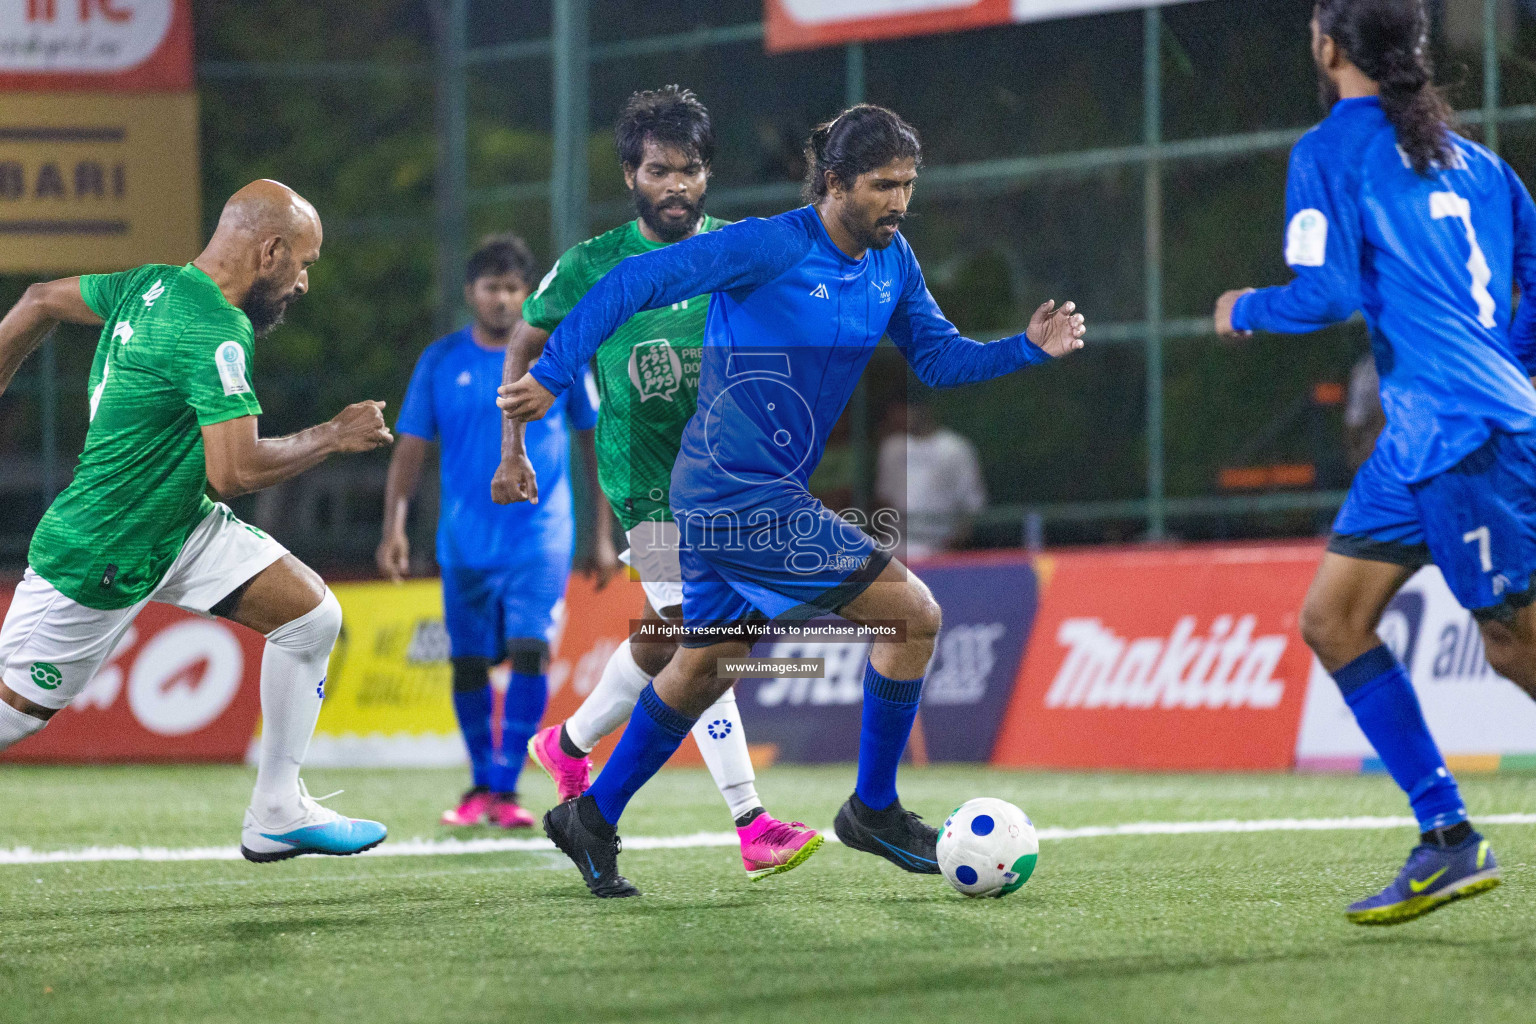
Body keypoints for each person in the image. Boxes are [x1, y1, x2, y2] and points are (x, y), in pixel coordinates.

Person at [501, 104, 1086, 897]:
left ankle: (590, 818)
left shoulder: (893, 259)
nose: (899, 202)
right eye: (883, 185)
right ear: (836, 182)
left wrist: (1024, 348)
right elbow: (636, 279)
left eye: (909, 185)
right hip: (735, 498)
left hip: (737, 494)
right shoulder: (772, 245)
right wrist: (556, 370)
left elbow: (939, 361)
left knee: (705, 661)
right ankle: (873, 809)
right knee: (913, 616)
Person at [1214, 0, 1536, 925]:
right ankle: (1447, 837)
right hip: (1423, 440)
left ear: (1327, 48)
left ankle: (1448, 838)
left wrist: (1243, 309)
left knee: (1512, 644)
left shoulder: (1327, 151)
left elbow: (1325, 296)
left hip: (1468, 437)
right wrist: (1507, 363)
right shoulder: (1481, 163)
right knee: (1331, 620)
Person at [0, 180, 392, 862]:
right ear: (270, 252)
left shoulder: (149, 284)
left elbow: (38, 302)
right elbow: (233, 471)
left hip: (177, 524)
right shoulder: (213, 328)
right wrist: (332, 434)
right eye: (303, 261)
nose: (303, 282)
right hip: (104, 547)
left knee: (310, 618)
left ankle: (275, 812)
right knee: (11, 718)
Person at [493, 86, 820, 878]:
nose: (677, 184)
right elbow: (526, 345)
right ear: (631, 175)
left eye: (692, 170)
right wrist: (515, 447)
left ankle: (565, 744)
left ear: (708, 174)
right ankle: (751, 823)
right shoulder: (593, 266)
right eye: (660, 170)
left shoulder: (738, 248)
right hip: (646, 485)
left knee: (670, 637)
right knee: (707, 643)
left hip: (730, 484)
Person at [378, 235, 609, 829]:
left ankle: (506, 790)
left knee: (531, 651)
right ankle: (481, 783)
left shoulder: (558, 353)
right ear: (470, 293)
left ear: (527, 292)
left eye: (514, 288)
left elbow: (596, 442)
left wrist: (602, 534)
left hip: (541, 533)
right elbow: (410, 451)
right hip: (465, 541)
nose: (504, 300)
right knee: (470, 664)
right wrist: (394, 527)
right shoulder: (441, 360)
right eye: (492, 287)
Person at [875, 401, 987, 559]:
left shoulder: (956, 448)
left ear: (924, 409)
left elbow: (972, 507)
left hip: (939, 551)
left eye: (904, 410)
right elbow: (883, 500)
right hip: (893, 551)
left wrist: (952, 550)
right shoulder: (891, 447)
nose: (898, 417)